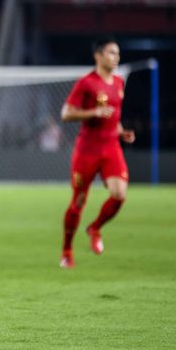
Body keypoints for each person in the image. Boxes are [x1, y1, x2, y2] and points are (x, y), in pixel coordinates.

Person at [59, 37, 135, 268]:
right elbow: (66, 114)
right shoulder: (86, 83)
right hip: (88, 149)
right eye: (112, 53)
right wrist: (93, 113)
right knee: (79, 201)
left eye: (118, 53)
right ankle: (67, 251)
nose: (116, 57)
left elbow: (114, 116)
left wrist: (121, 132)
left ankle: (95, 228)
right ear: (98, 55)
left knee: (119, 193)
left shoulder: (119, 83)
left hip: (111, 147)